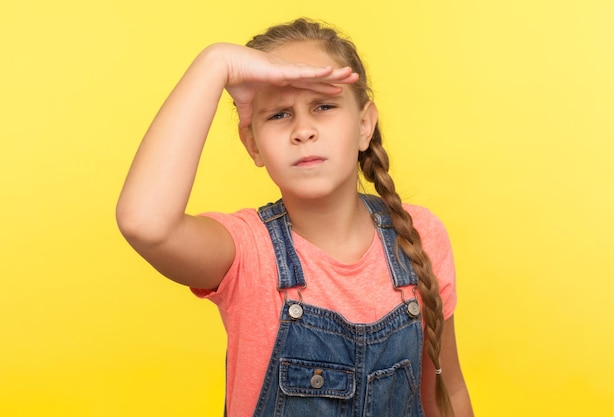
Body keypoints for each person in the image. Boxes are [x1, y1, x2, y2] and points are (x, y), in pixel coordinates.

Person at [116, 18, 473, 417]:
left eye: (323, 106)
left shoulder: (420, 235)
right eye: (279, 115)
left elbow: (446, 391)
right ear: (253, 144)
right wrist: (215, 63)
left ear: (364, 125)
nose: (303, 129)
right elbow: (145, 223)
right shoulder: (247, 252)